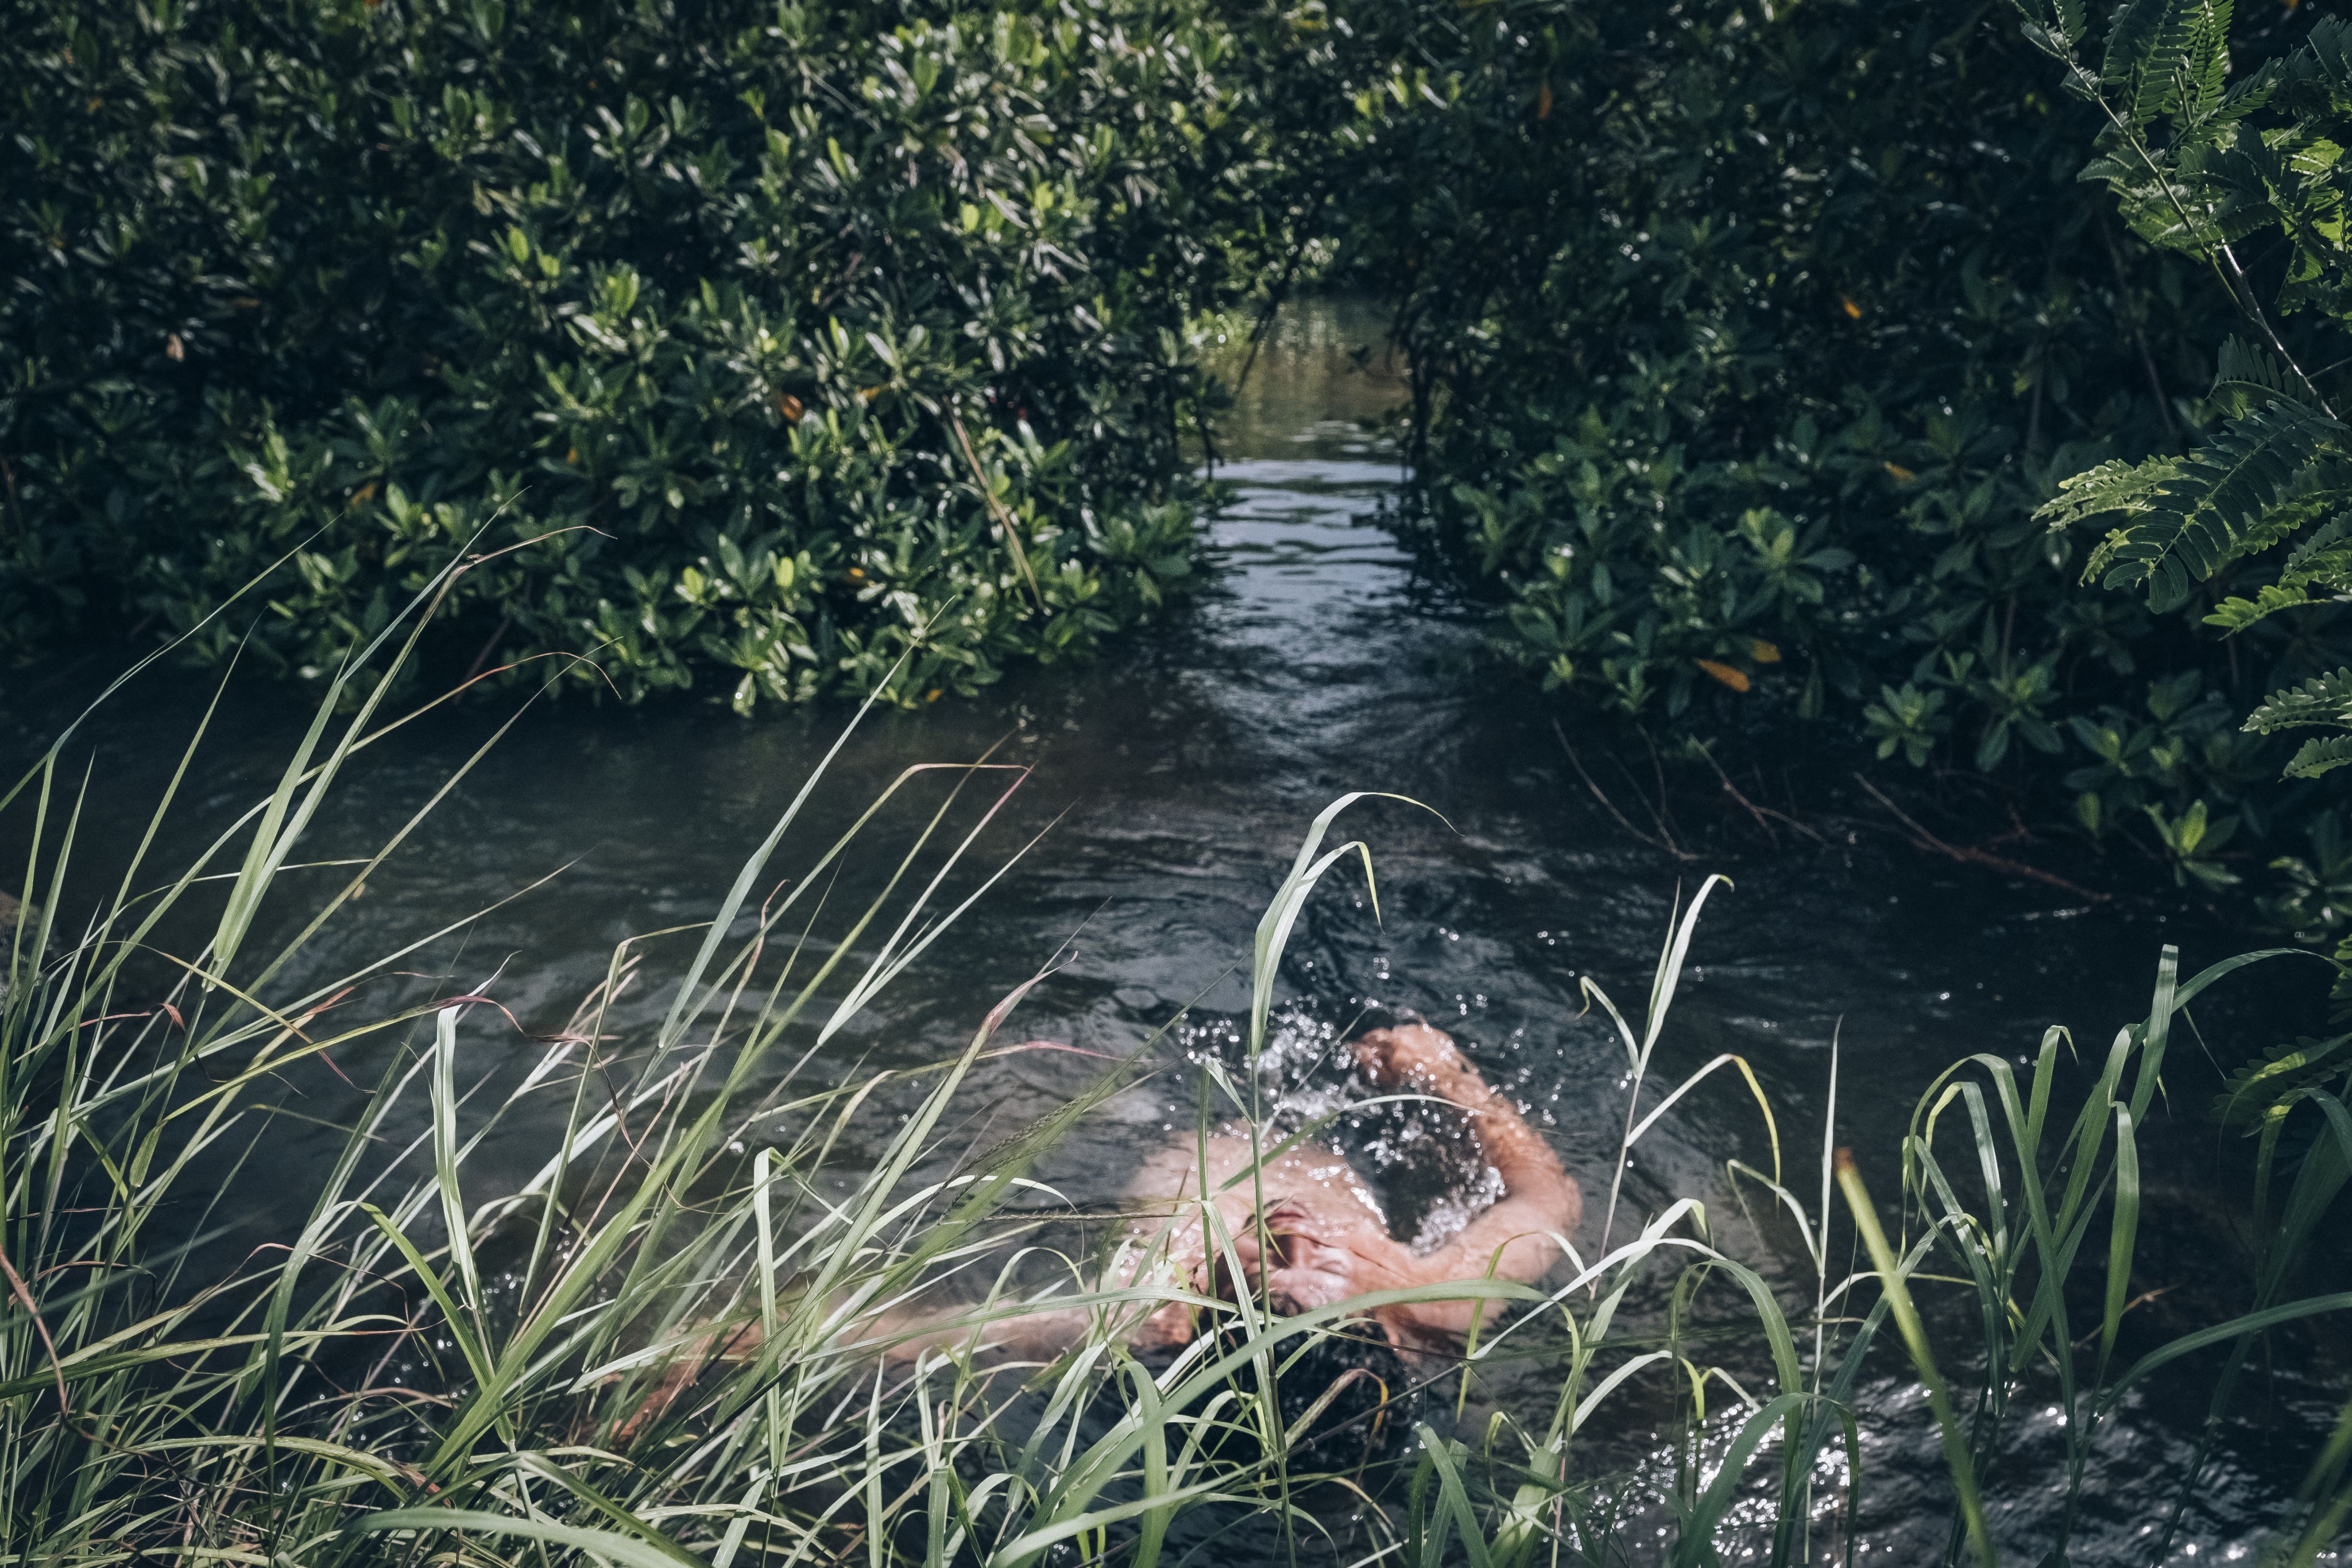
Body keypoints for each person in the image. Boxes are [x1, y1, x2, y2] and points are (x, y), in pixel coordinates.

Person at [619, 1021, 1577, 1435]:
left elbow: (909, 1336)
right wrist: (1449, 1081)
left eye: (1275, 1266)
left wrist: (713, 1346)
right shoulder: (1439, 1292)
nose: (1295, 1231)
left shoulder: (1147, 1313)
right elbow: (1550, 1197)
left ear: (1215, 1311)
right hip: (1320, 1113)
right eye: (1312, 1258)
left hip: (1170, 1117)